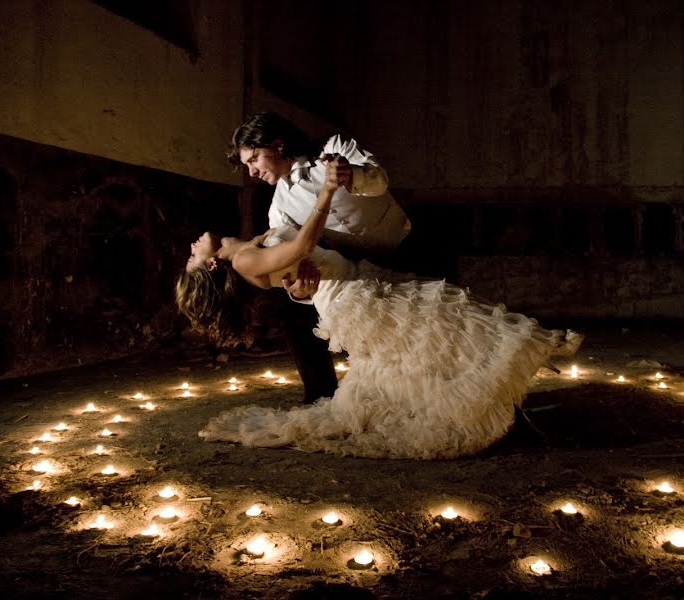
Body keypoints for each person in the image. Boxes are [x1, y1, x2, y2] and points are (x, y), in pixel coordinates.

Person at [176, 166, 583, 460]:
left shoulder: (251, 244)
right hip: (352, 298)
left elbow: (295, 274)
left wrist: (299, 287)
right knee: (441, 326)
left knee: (426, 347)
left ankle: (495, 407)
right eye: (193, 257)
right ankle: (489, 410)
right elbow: (299, 249)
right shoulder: (246, 262)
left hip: (357, 282)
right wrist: (326, 193)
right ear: (212, 266)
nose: (192, 245)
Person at [226, 112, 411, 404]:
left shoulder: (334, 148)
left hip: (405, 247)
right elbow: (291, 260)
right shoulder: (279, 209)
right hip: (356, 268)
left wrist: (351, 174)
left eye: (254, 159)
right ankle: (320, 396)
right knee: (295, 314)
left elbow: (380, 181)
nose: (251, 172)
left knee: (437, 317)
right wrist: (297, 291)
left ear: (277, 146)